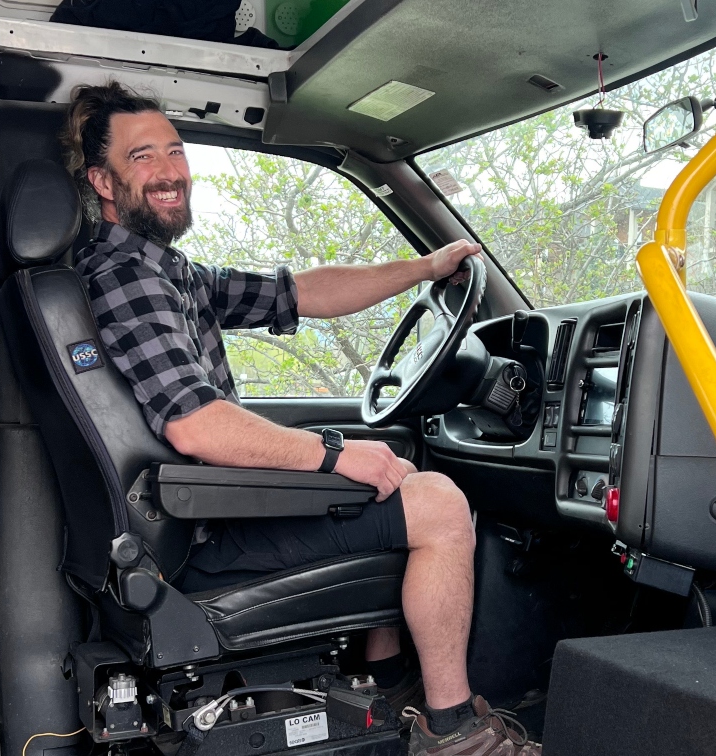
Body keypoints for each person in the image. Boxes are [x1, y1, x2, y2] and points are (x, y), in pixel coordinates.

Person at [62, 81, 540, 756]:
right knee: (438, 503)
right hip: (204, 534)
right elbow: (195, 426)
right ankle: (452, 730)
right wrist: (331, 455)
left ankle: (390, 683)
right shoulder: (126, 278)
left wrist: (424, 268)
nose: (170, 171)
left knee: (394, 474)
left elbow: (303, 293)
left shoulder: (168, 271)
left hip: (194, 518)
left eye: (174, 150)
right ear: (102, 181)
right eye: (143, 157)